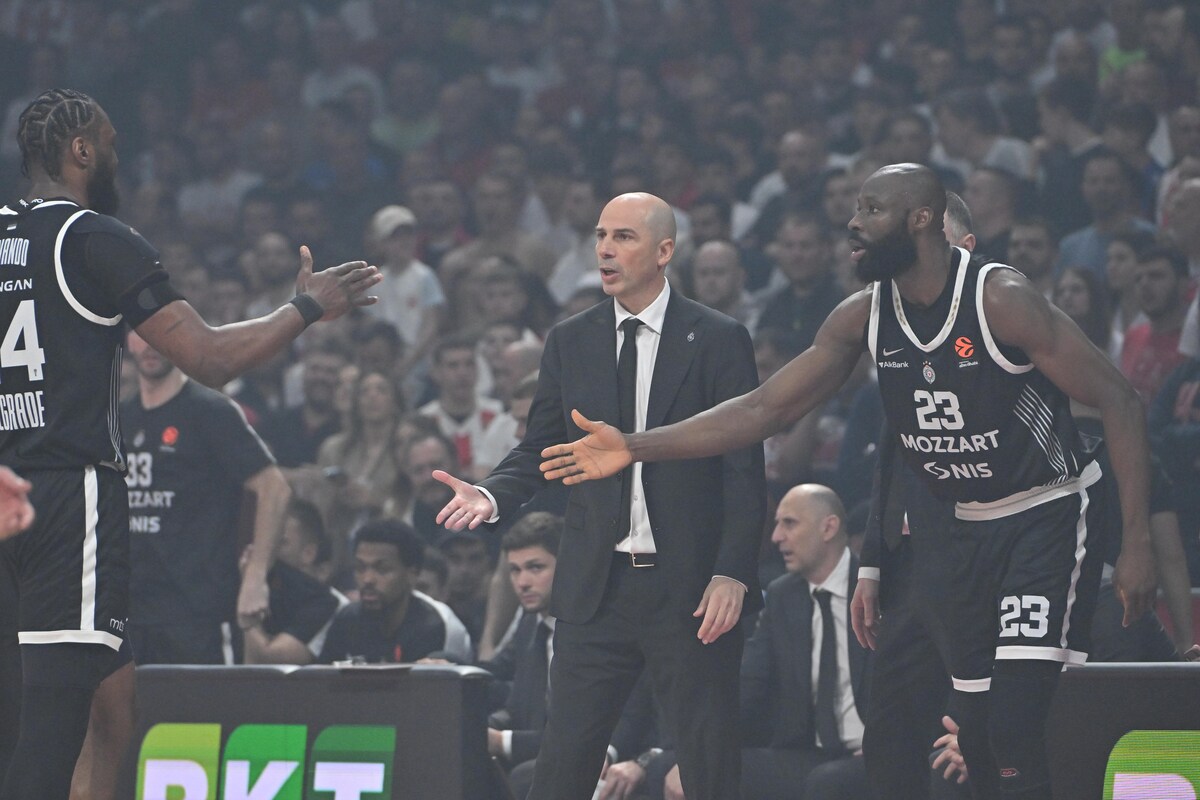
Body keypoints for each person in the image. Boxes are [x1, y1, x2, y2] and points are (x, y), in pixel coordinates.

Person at [540, 165, 1155, 799]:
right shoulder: (863, 313)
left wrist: (1135, 544)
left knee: (1014, 718)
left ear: (921, 220)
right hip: (964, 528)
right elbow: (763, 410)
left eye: (871, 209)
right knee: (973, 731)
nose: (853, 223)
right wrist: (635, 446)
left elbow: (1120, 399)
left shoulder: (998, 298)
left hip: (1043, 515)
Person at [0, 88, 379, 799]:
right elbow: (208, 357)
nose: (116, 156)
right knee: (47, 733)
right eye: (108, 144)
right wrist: (305, 307)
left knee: (111, 698)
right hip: (65, 495)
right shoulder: (93, 237)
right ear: (81, 150)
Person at [434, 192, 766, 799]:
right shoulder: (570, 340)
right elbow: (540, 447)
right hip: (596, 587)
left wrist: (733, 572)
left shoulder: (718, 338)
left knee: (709, 765)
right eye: (600, 236)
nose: (606, 249)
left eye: (624, 237)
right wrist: (493, 494)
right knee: (561, 767)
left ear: (665, 251)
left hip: (689, 590)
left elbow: (743, 468)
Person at [122, 330, 290, 664]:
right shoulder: (118, 416)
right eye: (140, 334)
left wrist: (256, 576)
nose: (150, 343)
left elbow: (274, 487)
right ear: (127, 341)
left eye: (162, 332)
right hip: (130, 609)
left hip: (198, 608)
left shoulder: (209, 411)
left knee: (204, 713)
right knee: (132, 715)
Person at [317, 518, 471, 664]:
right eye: (360, 568)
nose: (367, 579)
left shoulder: (436, 625)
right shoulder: (347, 620)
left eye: (382, 569)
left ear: (412, 574)